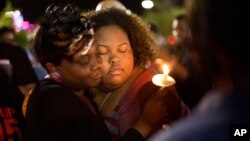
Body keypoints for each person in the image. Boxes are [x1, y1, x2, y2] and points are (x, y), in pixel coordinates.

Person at [25, 4, 170, 141]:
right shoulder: (55, 101)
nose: (96, 64)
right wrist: (143, 125)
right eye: (83, 59)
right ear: (53, 67)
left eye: (96, 53)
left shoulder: (80, 89)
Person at [148, 0, 250, 141]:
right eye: (175, 30)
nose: (176, 33)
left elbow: (193, 80)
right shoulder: (178, 51)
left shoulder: (183, 136)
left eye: (182, 30)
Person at [84, 8, 190, 140]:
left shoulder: (149, 89)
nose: (115, 58)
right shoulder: (84, 88)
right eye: (102, 52)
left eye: (122, 50)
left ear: (134, 50)